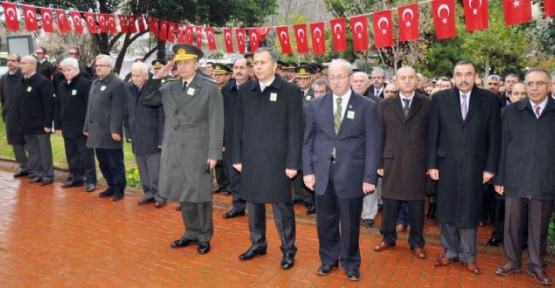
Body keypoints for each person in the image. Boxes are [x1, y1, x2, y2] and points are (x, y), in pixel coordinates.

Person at [303, 59, 381, 281]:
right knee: (325, 222)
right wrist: (308, 171)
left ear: (350, 78)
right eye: (332, 77)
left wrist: (369, 177)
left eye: (340, 77)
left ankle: (351, 263)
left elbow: (373, 144)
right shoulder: (316, 105)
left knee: (349, 223)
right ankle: (328, 260)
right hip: (322, 173)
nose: (336, 81)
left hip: (352, 174)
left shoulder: (367, 106)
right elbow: (308, 141)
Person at [141, 44, 223, 255]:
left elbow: (216, 121)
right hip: (175, 145)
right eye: (179, 63)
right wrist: (158, 76)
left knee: (200, 194)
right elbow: (147, 99)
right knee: (183, 192)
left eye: (187, 62)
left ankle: (204, 235)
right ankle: (190, 232)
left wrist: (214, 153)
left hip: (198, 147)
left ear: (196, 64)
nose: (183, 66)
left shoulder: (209, 87)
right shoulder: (169, 86)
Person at [427, 60, 501, 275]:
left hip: (475, 165)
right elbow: (433, 133)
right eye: (459, 74)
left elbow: (494, 136)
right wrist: (431, 163)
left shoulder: (489, 100)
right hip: (445, 164)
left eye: (468, 74)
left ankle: (468, 256)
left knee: (469, 210)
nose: (463, 78)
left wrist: (490, 168)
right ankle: (449, 251)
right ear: (453, 77)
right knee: (446, 209)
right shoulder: (440, 99)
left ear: (476, 76)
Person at [232, 47, 303, 270]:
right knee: (253, 203)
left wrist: (293, 162)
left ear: (274, 65)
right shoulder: (246, 90)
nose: (258, 67)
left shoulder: (290, 91)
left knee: (281, 206)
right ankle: (258, 243)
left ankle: (288, 249)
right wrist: (236, 156)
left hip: (278, 160)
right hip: (251, 158)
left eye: (263, 62)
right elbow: (237, 126)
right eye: (256, 63)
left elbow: (296, 130)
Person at [493, 68, 555, 286]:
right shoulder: (511, 111)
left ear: (549, 85)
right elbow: (501, 147)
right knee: (512, 223)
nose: (535, 88)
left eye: (540, 83)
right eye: (530, 84)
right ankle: (512, 260)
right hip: (514, 177)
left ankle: (537, 265)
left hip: (544, 179)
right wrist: (499, 178)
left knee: (539, 226)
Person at [373, 66, 430, 260]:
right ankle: (388, 238)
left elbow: (432, 137)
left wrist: (430, 164)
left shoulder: (428, 104)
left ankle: (417, 242)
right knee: (390, 202)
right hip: (392, 161)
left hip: (417, 161)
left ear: (417, 81)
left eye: (410, 77)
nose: (407, 81)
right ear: (395, 81)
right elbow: (379, 134)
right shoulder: (385, 104)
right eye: (402, 78)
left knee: (416, 205)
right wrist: (379, 161)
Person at [84, 54, 126, 201]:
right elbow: (90, 107)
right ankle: (111, 185)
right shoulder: (95, 83)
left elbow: (118, 109)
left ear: (110, 67)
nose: (98, 68)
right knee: (103, 162)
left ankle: (119, 188)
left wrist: (115, 130)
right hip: (96, 131)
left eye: (102, 65)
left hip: (109, 132)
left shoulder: (117, 84)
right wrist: (86, 126)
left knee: (114, 162)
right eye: (97, 65)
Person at [123, 62, 166, 207]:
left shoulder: (155, 89)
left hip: (152, 135)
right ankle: (148, 193)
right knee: (142, 168)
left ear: (146, 75)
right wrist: (128, 132)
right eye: (133, 75)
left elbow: (162, 116)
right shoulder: (128, 88)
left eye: (138, 76)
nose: (134, 79)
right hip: (136, 134)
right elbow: (126, 113)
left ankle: (159, 195)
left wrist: (161, 138)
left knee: (155, 168)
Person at [54, 57, 97, 192]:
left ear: (76, 69)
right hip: (67, 126)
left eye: (69, 70)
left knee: (86, 154)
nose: (66, 72)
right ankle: (76, 177)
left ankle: (91, 180)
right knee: (71, 154)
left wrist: (88, 126)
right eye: (64, 70)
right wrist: (58, 125)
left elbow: (90, 107)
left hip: (82, 128)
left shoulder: (85, 84)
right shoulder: (61, 85)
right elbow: (58, 106)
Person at [18, 55, 55, 185]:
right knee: (32, 150)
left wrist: (47, 123)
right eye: (21, 63)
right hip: (27, 123)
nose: (21, 65)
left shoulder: (42, 81)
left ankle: (48, 175)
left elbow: (49, 104)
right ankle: (38, 173)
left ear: (33, 65)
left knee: (44, 151)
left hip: (40, 124)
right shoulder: (22, 80)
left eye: (24, 63)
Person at [221, 57, 250, 219]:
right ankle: (238, 205)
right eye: (236, 67)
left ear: (249, 70)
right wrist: (223, 141)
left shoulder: (255, 88)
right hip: (232, 139)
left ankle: (253, 204)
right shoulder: (227, 89)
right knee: (234, 173)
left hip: (251, 139)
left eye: (242, 67)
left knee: (251, 173)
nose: (238, 70)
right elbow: (223, 117)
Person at [0, 53, 30, 178]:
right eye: (8, 60)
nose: (9, 63)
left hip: (25, 116)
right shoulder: (3, 78)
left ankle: (34, 167)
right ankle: (23, 167)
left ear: (19, 62)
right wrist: (5, 111)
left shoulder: (24, 77)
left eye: (13, 60)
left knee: (28, 143)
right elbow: (2, 97)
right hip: (11, 115)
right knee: (15, 143)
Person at [292, 64, 316, 215]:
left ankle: (310, 201)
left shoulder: (316, 94)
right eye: (299, 78)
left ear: (311, 78)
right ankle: (298, 195)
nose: (302, 81)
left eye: (305, 78)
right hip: (294, 136)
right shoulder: (292, 92)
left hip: (310, 136)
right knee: (295, 166)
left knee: (307, 167)